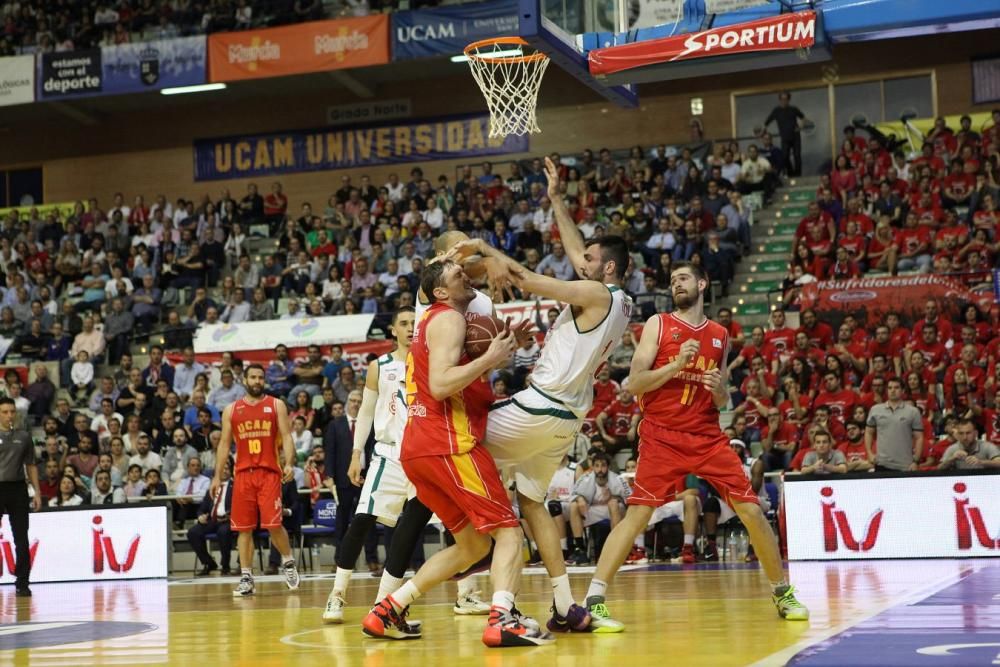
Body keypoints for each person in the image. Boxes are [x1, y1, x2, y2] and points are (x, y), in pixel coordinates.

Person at [451, 155, 635, 631]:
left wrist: (487, 249)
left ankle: (451, 567)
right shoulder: (619, 299)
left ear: (608, 267)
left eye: (590, 261)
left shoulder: (599, 295)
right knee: (532, 503)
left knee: (446, 448)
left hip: (539, 407)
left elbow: (527, 280)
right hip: (564, 420)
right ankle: (563, 606)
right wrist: (556, 200)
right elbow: (577, 253)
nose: (579, 263)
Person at [579, 261, 809, 632]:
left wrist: (719, 388)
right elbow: (635, 383)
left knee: (750, 509)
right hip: (662, 434)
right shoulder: (658, 324)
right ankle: (594, 599)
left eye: (683, 278)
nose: (676, 284)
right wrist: (675, 365)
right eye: (672, 280)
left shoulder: (719, 334)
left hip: (705, 434)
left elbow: (720, 400)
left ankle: (782, 592)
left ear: (702, 283)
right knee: (636, 514)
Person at [362, 260, 551, 647]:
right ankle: (503, 619)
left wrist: (499, 343)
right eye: (454, 272)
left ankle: (387, 609)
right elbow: (441, 383)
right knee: (509, 533)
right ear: (441, 292)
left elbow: (448, 369)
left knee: (473, 546)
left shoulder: (437, 321)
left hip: (420, 447)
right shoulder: (448, 317)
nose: (464, 274)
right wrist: (490, 359)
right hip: (450, 444)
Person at [324, 309, 441, 622]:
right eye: (403, 324)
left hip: (423, 458)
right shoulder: (379, 366)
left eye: (414, 324)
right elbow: (365, 412)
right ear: (393, 330)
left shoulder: (433, 364)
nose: (410, 328)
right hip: (388, 455)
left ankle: (384, 603)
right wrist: (356, 453)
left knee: (410, 530)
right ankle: (337, 594)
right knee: (361, 521)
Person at [211, 364, 301, 597]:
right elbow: (223, 445)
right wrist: (216, 476)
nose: (257, 381)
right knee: (244, 529)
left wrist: (289, 462)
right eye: (253, 377)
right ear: (245, 380)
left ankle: (288, 562)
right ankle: (246, 577)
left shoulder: (275, 404)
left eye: (261, 377)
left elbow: (287, 436)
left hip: (269, 472)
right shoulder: (231, 410)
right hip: (242, 475)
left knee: (273, 523)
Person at [323, 389, 381, 576]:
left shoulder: (370, 424)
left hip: (366, 476)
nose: (355, 403)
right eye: (353, 400)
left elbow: (374, 448)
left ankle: (372, 559)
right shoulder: (335, 424)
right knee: (341, 522)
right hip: (343, 479)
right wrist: (329, 474)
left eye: (359, 401)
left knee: (368, 519)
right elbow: (330, 452)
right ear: (347, 402)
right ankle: (340, 561)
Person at [0, 397, 41, 596]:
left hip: (17, 489)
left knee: (21, 538)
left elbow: (31, 465)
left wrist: (37, 492)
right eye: (5, 412)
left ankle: (22, 582)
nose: (9, 415)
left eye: (11, 411)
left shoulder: (24, 436)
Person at [865, 378, 923, 472]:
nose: (892, 390)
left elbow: (919, 437)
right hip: (881, 463)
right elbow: (868, 432)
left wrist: (916, 461)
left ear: (903, 390)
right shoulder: (875, 410)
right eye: (890, 388)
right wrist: (869, 453)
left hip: (905, 465)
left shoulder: (913, 411)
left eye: (896, 387)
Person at [188, 459, 234, 576]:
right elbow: (202, 508)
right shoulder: (213, 486)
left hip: (227, 520)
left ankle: (225, 566)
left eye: (226, 468)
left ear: (231, 471)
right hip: (211, 520)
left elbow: (240, 506)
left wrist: (230, 516)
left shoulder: (235, 486)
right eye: (221, 468)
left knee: (223, 532)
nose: (224, 471)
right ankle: (209, 563)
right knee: (193, 532)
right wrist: (200, 516)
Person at [762, 91, 806, 177]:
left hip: (795, 136)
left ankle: (798, 175)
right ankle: (791, 174)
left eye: (786, 99)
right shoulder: (776, 111)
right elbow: (766, 123)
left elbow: (803, 118)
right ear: (780, 100)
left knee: (797, 156)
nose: (784, 101)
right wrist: (762, 132)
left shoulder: (793, 109)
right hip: (785, 137)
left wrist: (800, 126)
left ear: (788, 100)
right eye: (782, 99)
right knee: (785, 157)